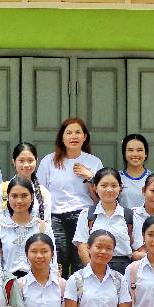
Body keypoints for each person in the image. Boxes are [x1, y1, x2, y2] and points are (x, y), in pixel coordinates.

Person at [36, 118, 102, 277]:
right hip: (55, 217)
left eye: (78, 132)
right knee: (59, 261)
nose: (74, 136)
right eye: (69, 133)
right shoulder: (49, 161)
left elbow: (100, 199)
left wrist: (90, 177)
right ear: (62, 137)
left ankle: (80, 300)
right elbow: (39, 193)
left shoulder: (93, 162)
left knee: (81, 262)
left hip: (83, 216)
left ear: (85, 137)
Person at [75, 168, 133, 274]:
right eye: (104, 185)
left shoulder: (130, 216)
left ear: (120, 187)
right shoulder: (87, 215)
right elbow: (82, 247)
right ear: (95, 188)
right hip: (94, 267)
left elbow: (138, 248)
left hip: (124, 269)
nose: (109, 190)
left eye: (114, 186)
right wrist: (94, 273)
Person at [0, 176, 54, 278]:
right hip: (7, 284)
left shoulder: (43, 227)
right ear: (8, 198)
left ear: (32, 197)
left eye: (24, 196)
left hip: (37, 283)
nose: (19, 201)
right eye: (14, 196)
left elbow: (53, 261)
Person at [0, 142, 52, 221]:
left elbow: (46, 225)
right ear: (14, 162)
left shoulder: (43, 193)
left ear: (36, 161)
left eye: (30, 160)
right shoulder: (1, 190)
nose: (26, 165)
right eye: (21, 160)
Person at [119, 134, 152, 209]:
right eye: (130, 150)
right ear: (124, 153)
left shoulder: (153, 179)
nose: (135, 154)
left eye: (139, 150)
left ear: (146, 154)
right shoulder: (116, 178)